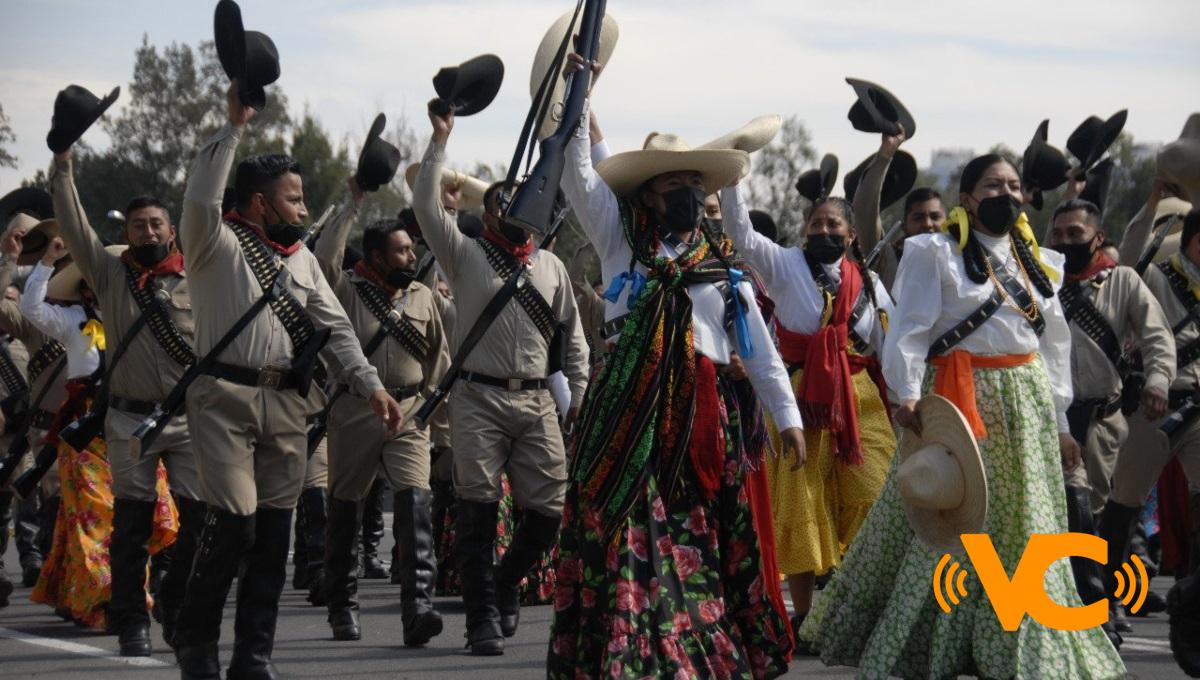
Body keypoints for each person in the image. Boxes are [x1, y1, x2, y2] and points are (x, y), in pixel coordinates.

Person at [799, 154, 1125, 679]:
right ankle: (934, 642)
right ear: (967, 197)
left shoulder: (1039, 260)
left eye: (1015, 185)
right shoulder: (935, 253)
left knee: (1029, 529)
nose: (1007, 193)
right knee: (949, 522)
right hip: (957, 398)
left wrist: (1063, 422)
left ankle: (1025, 645)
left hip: (1028, 406)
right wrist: (906, 395)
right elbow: (909, 328)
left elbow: (1055, 343)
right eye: (994, 184)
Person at [552, 57, 804, 674]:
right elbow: (578, 172)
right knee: (630, 540)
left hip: (703, 421)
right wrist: (579, 93)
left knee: (700, 536)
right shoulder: (620, 240)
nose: (690, 195)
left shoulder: (722, 264)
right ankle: (634, 650)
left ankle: (698, 646)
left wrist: (787, 415)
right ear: (648, 195)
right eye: (675, 185)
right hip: (629, 417)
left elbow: (758, 350)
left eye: (697, 184)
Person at [170, 82, 403, 679]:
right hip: (223, 399)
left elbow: (336, 326)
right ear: (255, 202)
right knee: (236, 522)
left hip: (289, 406)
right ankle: (195, 643)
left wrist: (370, 384)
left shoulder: (299, 258)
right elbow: (199, 198)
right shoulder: (213, 242)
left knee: (274, 536)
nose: (303, 208)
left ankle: (254, 656)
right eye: (293, 198)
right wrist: (232, 128)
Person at [413, 104, 590, 656]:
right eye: (502, 199)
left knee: (548, 513)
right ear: (487, 215)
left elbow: (573, 338)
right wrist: (440, 144)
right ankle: (480, 619)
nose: (516, 204)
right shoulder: (463, 253)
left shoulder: (551, 267)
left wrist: (578, 395)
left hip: (536, 400)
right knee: (477, 508)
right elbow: (424, 204)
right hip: (477, 398)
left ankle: (504, 581)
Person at [721, 184, 895, 643]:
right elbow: (739, 231)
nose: (823, 231)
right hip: (800, 400)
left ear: (851, 235)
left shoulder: (871, 285)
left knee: (874, 495)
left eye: (832, 225)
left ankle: (854, 602)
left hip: (861, 402)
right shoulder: (783, 266)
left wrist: (909, 403)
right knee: (803, 501)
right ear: (803, 230)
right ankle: (805, 618)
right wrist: (734, 178)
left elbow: (890, 350)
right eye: (816, 224)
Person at [49, 147, 204, 655]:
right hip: (129, 422)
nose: (148, 233)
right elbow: (74, 228)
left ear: (171, 229)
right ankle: (132, 619)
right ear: (127, 234)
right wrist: (64, 167)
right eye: (138, 226)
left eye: (156, 224)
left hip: (188, 421)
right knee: (132, 526)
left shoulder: (198, 280)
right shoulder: (111, 275)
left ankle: (177, 607)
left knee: (195, 521)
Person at [313, 178, 451, 646]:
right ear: (374, 257)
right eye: (401, 252)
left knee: (415, 506)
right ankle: (341, 605)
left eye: (412, 251)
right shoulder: (345, 290)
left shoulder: (422, 297)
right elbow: (325, 256)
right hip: (355, 409)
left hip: (409, 410)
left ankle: (419, 608)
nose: (411, 259)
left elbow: (438, 360)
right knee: (346, 509)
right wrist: (353, 199)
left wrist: (433, 414)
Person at [20, 236, 178, 630]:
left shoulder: (149, 317)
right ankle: (105, 603)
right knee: (93, 522)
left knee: (142, 517)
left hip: (134, 426)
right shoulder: (73, 322)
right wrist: (47, 261)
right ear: (88, 288)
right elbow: (30, 308)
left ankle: (127, 595)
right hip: (87, 434)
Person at [1043, 197, 1175, 646]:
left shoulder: (1122, 281)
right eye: (1057, 234)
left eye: (1074, 234)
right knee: (1069, 509)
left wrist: (1158, 379)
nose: (1064, 242)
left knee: (1095, 515)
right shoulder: (1039, 280)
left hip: (1102, 420)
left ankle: (1102, 601)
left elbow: (1157, 337)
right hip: (1049, 420)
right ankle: (1089, 610)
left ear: (1097, 237)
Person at [1104, 209, 1200, 633]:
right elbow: (1126, 260)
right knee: (1123, 505)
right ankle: (1105, 598)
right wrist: (1152, 202)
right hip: (1153, 407)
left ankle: (1192, 594)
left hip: (1197, 409)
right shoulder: (1154, 277)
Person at [851, 127, 945, 290]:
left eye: (935, 217)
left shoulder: (962, 261)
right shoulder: (888, 259)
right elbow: (864, 213)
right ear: (904, 226)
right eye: (918, 217)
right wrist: (885, 156)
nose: (928, 224)